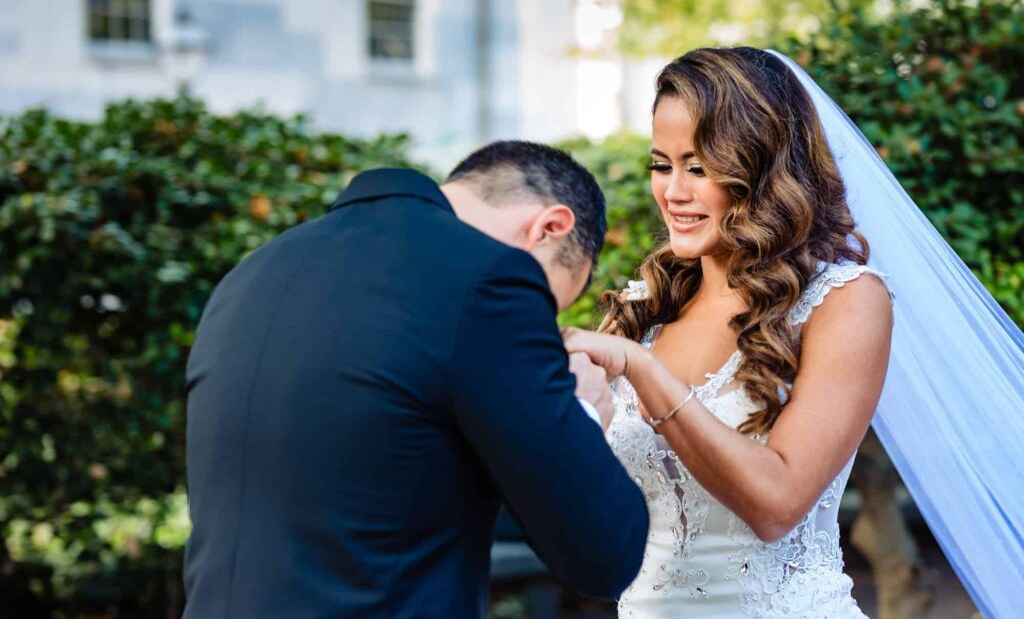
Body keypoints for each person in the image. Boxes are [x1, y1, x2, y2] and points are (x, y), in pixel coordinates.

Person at [183, 141, 649, 618]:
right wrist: (584, 411)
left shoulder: (254, 272)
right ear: (548, 228)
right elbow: (604, 555)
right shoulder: (492, 277)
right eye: (548, 305)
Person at [562, 47, 893, 617]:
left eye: (700, 167)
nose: (673, 192)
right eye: (662, 165)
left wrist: (644, 371)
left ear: (761, 168)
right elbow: (583, 512)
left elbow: (776, 506)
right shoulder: (640, 312)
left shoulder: (844, 301)